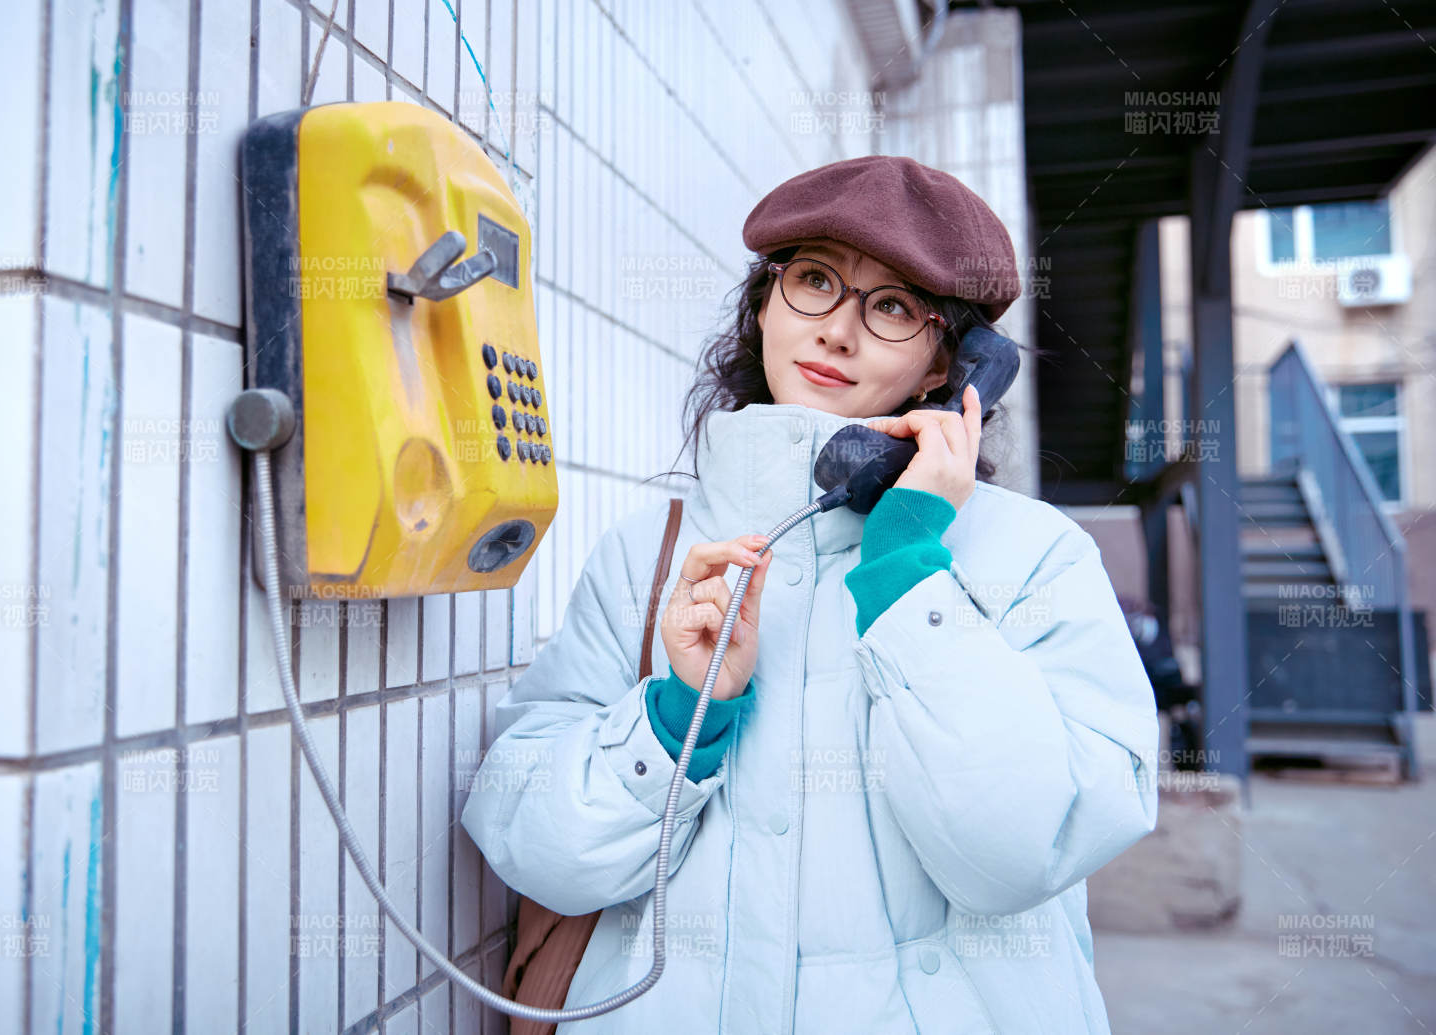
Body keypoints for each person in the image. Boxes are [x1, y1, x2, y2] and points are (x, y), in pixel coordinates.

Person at [460, 156, 1160, 1033]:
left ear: (954, 366)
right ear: (763, 304)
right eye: (816, 281)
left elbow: (1023, 849)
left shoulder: (1034, 558)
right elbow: (535, 847)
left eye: (892, 307)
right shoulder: (650, 556)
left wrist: (908, 577)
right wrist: (676, 720)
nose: (837, 331)